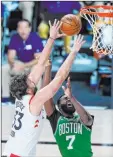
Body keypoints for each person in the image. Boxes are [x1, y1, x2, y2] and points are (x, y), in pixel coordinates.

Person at [3, 19, 85, 157]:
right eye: (29, 80)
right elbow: (60, 77)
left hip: (14, 152)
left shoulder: (23, 97)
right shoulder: (33, 102)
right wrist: (73, 52)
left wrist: (51, 38)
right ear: (28, 88)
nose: (32, 77)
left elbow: (40, 64)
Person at [43, 61, 94, 157]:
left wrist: (71, 97)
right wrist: (48, 67)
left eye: (69, 99)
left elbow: (87, 119)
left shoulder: (82, 119)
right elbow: (45, 93)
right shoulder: (56, 119)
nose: (68, 100)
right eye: (65, 99)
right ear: (58, 106)